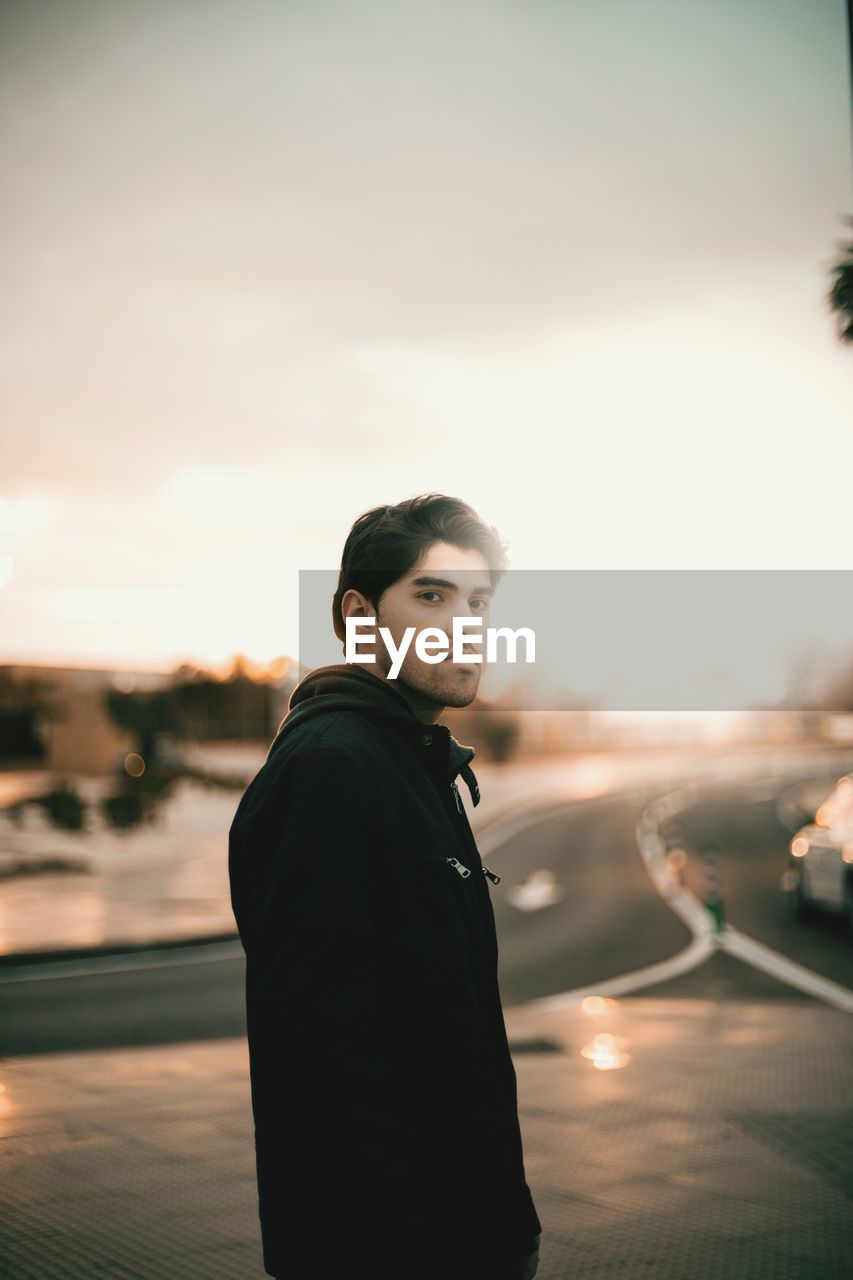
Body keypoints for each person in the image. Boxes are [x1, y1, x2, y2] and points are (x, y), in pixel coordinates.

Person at [228, 493, 542, 1280]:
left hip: (461, 1227)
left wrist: (505, 1218)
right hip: (397, 1246)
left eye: (477, 601)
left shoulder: (410, 762)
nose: (464, 622)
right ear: (359, 614)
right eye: (431, 595)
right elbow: (321, 1054)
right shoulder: (333, 770)